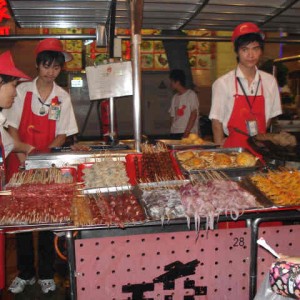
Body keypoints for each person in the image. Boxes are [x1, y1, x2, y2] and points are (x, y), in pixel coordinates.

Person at [4, 38, 78, 294]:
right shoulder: (21, 90)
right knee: (22, 220)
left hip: (48, 165)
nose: (50, 72)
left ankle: (46, 273)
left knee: (47, 218)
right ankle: (25, 273)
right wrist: (25, 157)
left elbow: (63, 133)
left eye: (55, 68)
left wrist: (44, 159)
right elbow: (11, 126)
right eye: (46, 66)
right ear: (38, 65)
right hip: (20, 160)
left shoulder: (62, 97)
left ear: (60, 69)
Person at [209, 22, 282, 151]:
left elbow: (269, 116)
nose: (251, 55)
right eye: (245, 49)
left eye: (255, 48)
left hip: (260, 148)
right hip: (232, 150)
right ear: (237, 52)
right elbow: (216, 122)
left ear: (261, 51)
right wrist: (220, 150)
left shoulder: (270, 82)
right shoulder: (223, 83)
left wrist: (260, 138)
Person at [168, 69, 199, 139]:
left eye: (172, 81)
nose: (170, 84)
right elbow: (172, 116)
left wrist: (187, 132)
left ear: (178, 82)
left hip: (187, 132)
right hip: (175, 132)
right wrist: (171, 130)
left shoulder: (191, 94)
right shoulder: (174, 97)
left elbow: (194, 114)